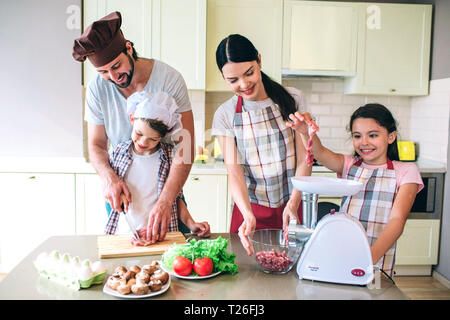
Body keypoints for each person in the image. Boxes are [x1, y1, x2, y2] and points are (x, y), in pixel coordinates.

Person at [72, 11, 195, 243]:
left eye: (116, 66)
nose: (112, 76)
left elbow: (185, 147)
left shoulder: (169, 79)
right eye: (103, 72)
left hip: (165, 191)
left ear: (128, 48)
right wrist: (109, 178)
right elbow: (96, 146)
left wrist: (166, 201)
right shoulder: (98, 89)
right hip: (122, 193)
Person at [287, 103, 424, 277]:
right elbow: (319, 152)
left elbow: (397, 220)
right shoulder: (349, 164)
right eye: (357, 136)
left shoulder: (406, 171)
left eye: (373, 135)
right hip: (344, 251)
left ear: (391, 136)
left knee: (373, 293)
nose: (364, 142)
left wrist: (368, 258)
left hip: (377, 257)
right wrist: (305, 132)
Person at [211, 34, 311, 256]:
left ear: (259, 61)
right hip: (250, 211)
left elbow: (305, 158)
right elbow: (234, 173)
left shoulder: (293, 99)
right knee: (247, 278)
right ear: (224, 77)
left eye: (249, 73)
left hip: (292, 204)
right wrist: (247, 214)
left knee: (292, 275)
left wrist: (294, 203)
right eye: (233, 80)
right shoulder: (225, 114)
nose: (244, 85)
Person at [105, 91, 210, 243]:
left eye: (152, 139)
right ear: (132, 119)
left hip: (161, 236)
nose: (142, 142)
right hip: (124, 233)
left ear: (164, 135)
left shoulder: (168, 157)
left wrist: (191, 223)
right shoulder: (118, 153)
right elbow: (108, 189)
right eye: (139, 133)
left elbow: (176, 199)